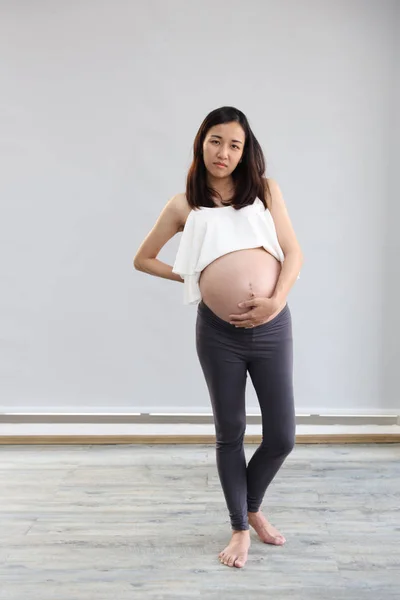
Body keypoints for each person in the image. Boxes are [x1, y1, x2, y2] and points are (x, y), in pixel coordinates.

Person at [134, 106, 303, 569]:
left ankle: (251, 505)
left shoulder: (266, 192)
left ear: (245, 150)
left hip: (271, 326)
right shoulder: (183, 203)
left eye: (234, 144)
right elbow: (143, 258)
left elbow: (293, 253)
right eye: (215, 141)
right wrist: (198, 281)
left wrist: (276, 300)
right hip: (218, 335)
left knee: (282, 436)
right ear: (200, 143)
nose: (223, 152)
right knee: (230, 432)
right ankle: (240, 527)